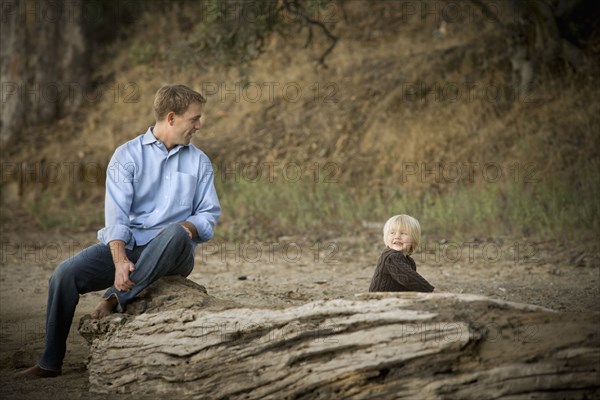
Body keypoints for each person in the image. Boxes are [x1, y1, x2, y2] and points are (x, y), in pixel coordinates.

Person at [18, 84, 221, 378]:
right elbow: (116, 217)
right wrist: (119, 260)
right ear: (172, 118)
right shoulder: (126, 156)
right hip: (132, 245)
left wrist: (188, 226)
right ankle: (50, 361)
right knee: (64, 274)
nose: (200, 125)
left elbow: (208, 214)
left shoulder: (199, 161)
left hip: (175, 251)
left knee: (175, 232)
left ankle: (114, 298)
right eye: (195, 118)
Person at [369, 214, 434, 292]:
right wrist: (431, 291)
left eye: (403, 233)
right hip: (379, 300)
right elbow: (409, 278)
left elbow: (409, 285)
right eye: (392, 233)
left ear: (414, 239)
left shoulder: (409, 261)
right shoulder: (391, 256)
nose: (397, 237)